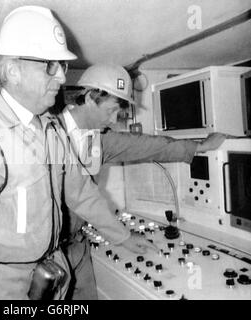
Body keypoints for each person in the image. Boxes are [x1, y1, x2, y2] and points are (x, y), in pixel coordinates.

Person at [0, 6, 156, 300]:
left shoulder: (50, 128)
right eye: (50, 66)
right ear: (14, 70)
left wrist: (123, 236)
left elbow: (80, 192)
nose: (62, 78)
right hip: (3, 288)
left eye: (62, 66)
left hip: (53, 276)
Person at [57, 64, 226, 300]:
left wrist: (199, 146)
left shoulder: (95, 138)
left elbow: (143, 145)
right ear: (90, 97)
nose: (115, 119)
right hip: (49, 254)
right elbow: (79, 196)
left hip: (78, 246)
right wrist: (123, 237)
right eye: (112, 110)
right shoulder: (48, 133)